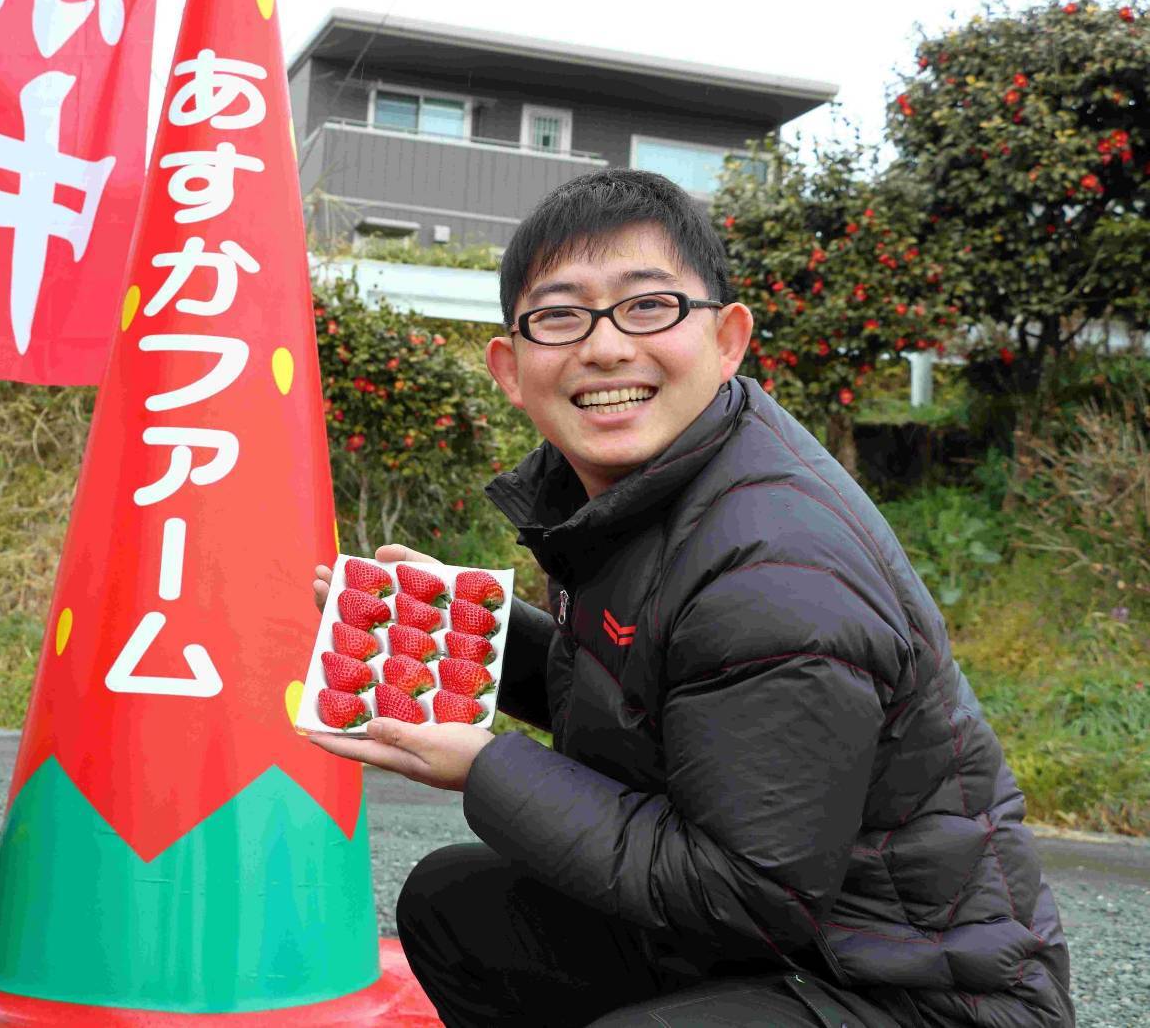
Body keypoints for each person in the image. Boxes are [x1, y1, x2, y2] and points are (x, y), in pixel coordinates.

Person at [307, 169, 1072, 1027]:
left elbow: (749, 892)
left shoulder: (775, 568)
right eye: (559, 316)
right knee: (461, 905)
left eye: (648, 306)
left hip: (923, 991)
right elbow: (656, 691)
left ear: (727, 338)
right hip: (802, 944)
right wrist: (461, 632)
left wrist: (486, 765)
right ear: (510, 368)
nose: (605, 347)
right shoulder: (643, 488)